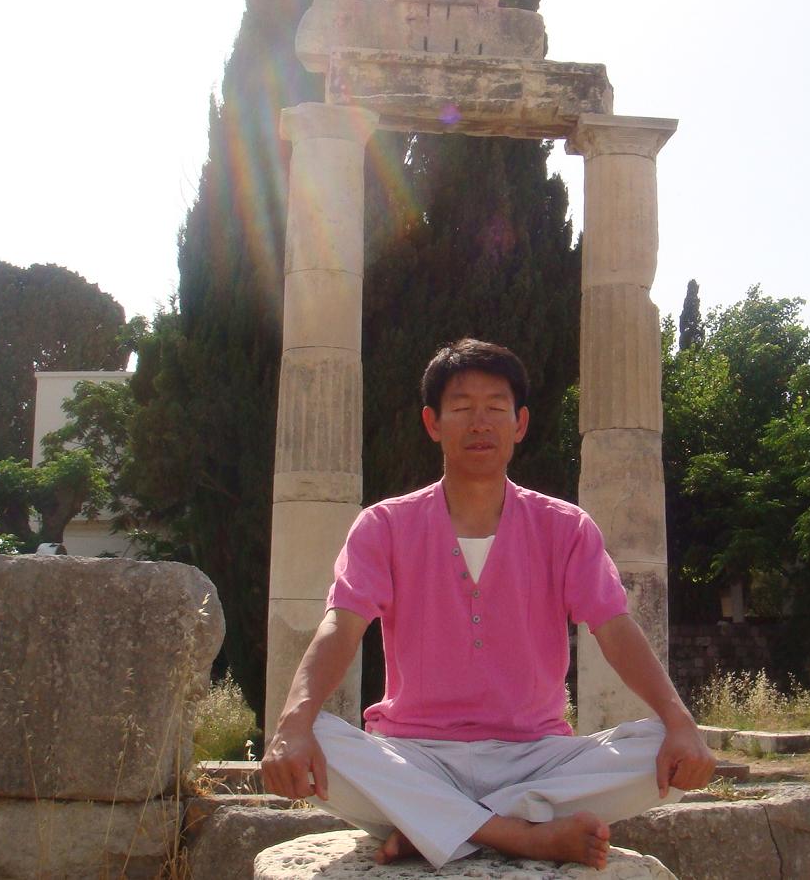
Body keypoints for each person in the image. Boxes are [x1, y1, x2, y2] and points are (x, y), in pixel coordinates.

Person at [262, 339, 715, 869]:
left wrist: (680, 722)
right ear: (433, 423)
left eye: (496, 407)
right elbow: (340, 627)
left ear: (520, 423)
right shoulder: (384, 525)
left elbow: (614, 629)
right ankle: (520, 833)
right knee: (313, 732)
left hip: (535, 758)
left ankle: (436, 827)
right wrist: (292, 726)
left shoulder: (565, 528)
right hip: (415, 755)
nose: (480, 423)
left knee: (664, 746)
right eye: (461, 408)